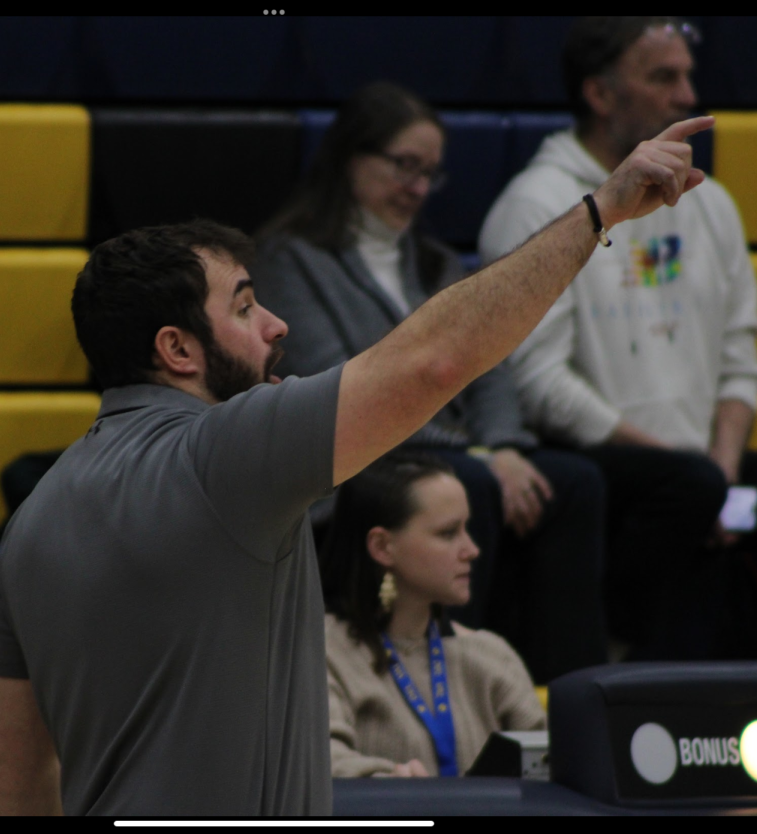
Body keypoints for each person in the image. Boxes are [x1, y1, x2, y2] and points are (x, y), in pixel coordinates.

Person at [0, 112, 714, 815]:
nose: (277, 325)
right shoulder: (222, 455)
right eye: (243, 310)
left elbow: (15, 769)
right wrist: (598, 212)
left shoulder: (32, 521)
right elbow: (436, 360)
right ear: (177, 350)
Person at [479, 16, 757, 661]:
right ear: (600, 94)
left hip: (703, 470)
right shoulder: (539, 204)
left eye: (689, 76)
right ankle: (607, 678)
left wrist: (721, 463)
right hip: (609, 471)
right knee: (682, 489)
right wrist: (688, 471)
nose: (689, 97)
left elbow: (740, 357)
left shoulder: (711, 203)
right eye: (665, 77)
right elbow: (539, 384)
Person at [251, 81, 607, 683]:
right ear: (348, 160)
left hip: (442, 452)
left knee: (574, 483)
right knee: (468, 482)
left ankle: (566, 694)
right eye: (403, 166)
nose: (417, 187)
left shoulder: (436, 261)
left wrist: (505, 447)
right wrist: (480, 455)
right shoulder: (289, 260)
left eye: (429, 173)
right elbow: (351, 390)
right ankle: (464, 677)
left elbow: (490, 363)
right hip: (354, 460)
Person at [321, 453, 544, 778]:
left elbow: (552, 766)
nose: (471, 550)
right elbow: (319, 763)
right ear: (383, 547)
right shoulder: (322, 650)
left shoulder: (491, 654)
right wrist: (389, 783)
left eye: (466, 529)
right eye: (448, 533)